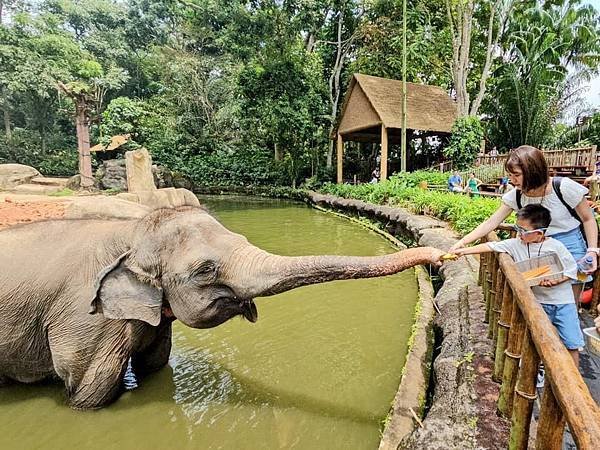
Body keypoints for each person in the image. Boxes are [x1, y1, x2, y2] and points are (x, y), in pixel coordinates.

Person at [450, 145, 599, 298]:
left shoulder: (563, 187)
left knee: (569, 299)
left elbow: (588, 219)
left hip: (570, 245)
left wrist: (592, 250)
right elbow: (491, 222)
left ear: (533, 171)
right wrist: (462, 242)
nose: (512, 180)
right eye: (510, 175)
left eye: (517, 175)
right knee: (538, 297)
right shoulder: (517, 195)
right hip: (535, 247)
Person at [454, 204, 584, 368]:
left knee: (571, 341)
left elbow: (572, 271)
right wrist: (462, 250)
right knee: (537, 339)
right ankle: (538, 373)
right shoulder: (516, 244)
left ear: (539, 233)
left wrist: (557, 280)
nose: (519, 234)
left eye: (523, 231)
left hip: (562, 302)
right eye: (518, 228)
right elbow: (490, 246)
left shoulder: (556, 247)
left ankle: (575, 378)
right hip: (537, 302)